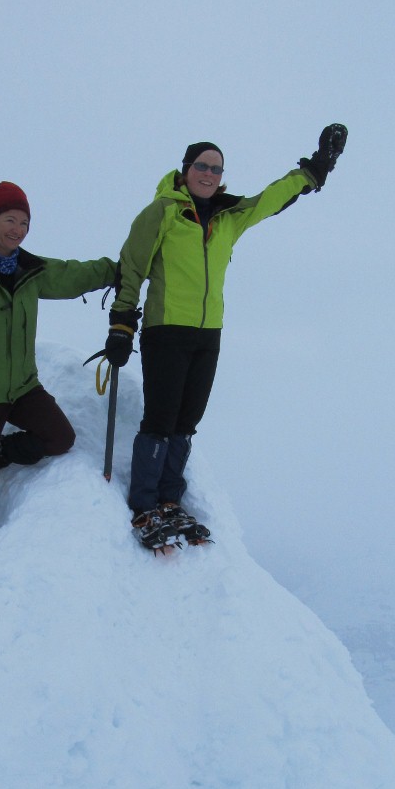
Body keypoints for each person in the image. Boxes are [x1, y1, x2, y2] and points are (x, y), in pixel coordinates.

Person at [103, 125, 348, 550]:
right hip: (166, 331)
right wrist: (122, 324)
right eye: (202, 166)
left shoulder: (228, 217)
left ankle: (169, 500)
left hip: (208, 335)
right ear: (186, 169)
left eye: (216, 169)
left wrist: (315, 169)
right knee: (160, 419)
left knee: (186, 421)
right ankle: (144, 503)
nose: (209, 174)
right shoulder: (162, 212)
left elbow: (270, 198)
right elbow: (132, 268)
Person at [0, 180, 116, 582]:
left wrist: (118, 270)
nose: (18, 229)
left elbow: (73, 274)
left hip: (24, 387)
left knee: (60, 437)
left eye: (25, 222)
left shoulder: (31, 270)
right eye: (10, 220)